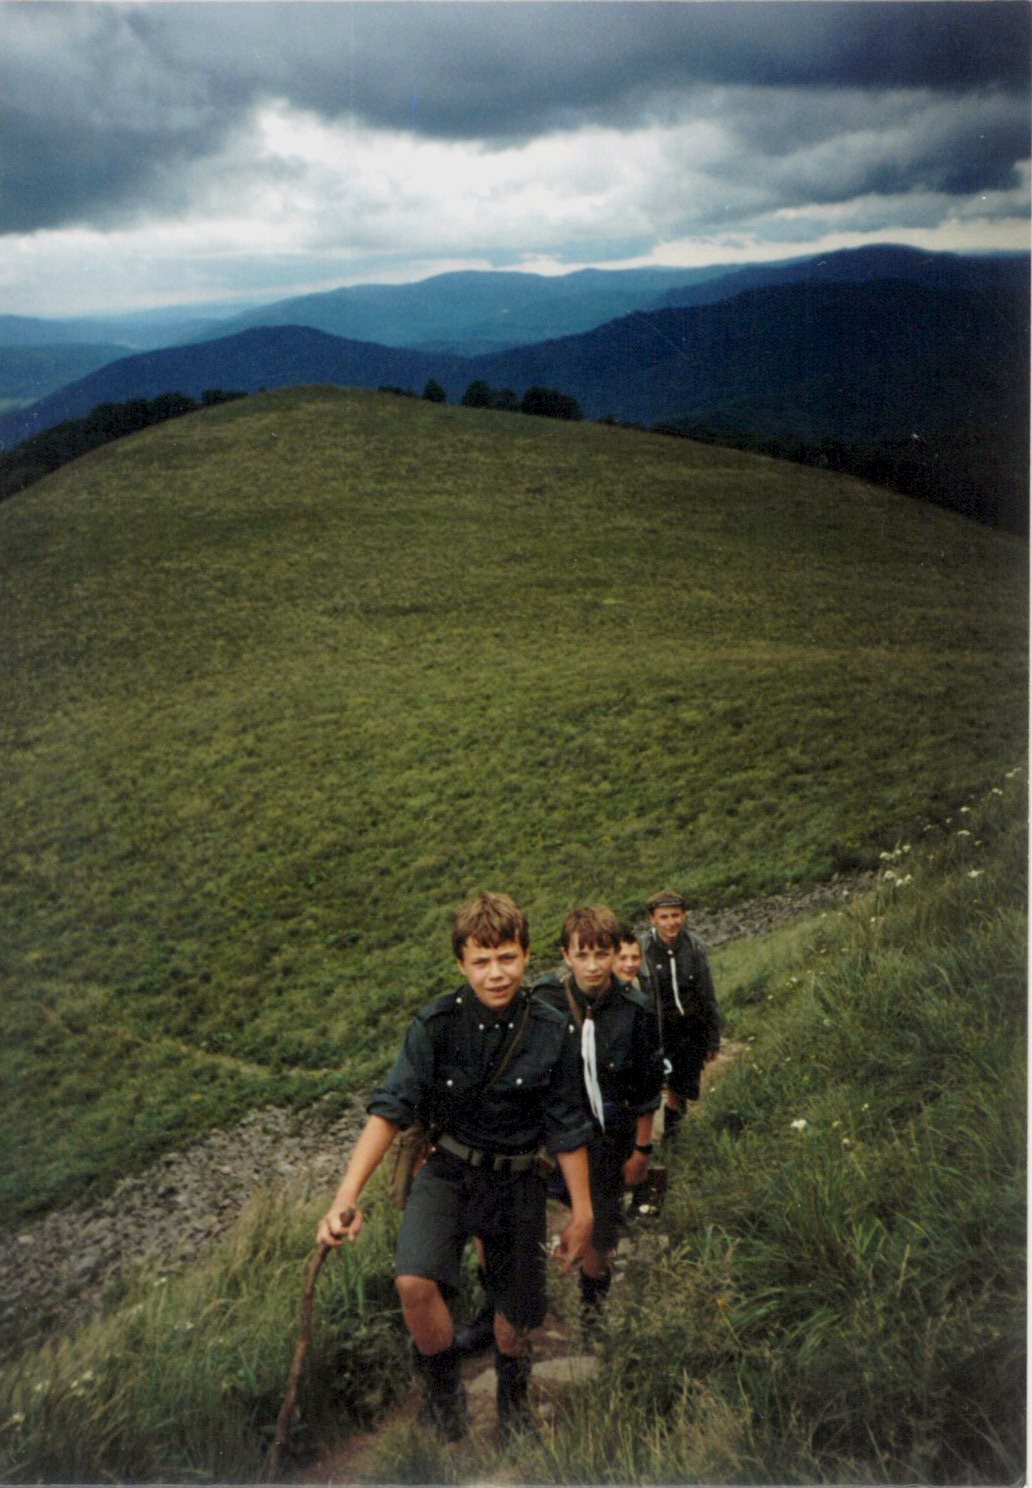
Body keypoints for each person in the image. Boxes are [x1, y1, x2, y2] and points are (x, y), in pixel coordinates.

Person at [317, 891, 594, 1444]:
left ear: (527, 953)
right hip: (448, 1170)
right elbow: (390, 1109)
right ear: (461, 963)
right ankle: (445, 1397)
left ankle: (513, 1406)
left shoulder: (551, 1028)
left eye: (508, 958)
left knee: (515, 1318)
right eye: (481, 961)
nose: (497, 974)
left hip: (517, 1179)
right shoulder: (435, 1024)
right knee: (414, 1281)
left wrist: (582, 1212)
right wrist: (345, 1197)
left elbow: (568, 1126)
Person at [535, 905, 662, 1333]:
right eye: (582, 955)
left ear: (616, 954)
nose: (592, 966)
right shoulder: (545, 1001)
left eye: (602, 954)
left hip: (611, 1136)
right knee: (555, 1207)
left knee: (601, 1231)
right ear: (565, 955)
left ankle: (592, 1310)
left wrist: (642, 1150)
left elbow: (647, 1088)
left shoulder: (636, 1010)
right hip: (559, 1134)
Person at [640, 888, 720, 1142]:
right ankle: (664, 1137)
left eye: (675, 915)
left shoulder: (695, 947)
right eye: (664, 917)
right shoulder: (643, 951)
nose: (671, 922)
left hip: (692, 1028)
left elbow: (708, 994)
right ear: (653, 919)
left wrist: (713, 1037)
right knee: (664, 1085)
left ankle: (675, 1134)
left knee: (683, 1084)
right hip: (661, 1030)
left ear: (684, 915)